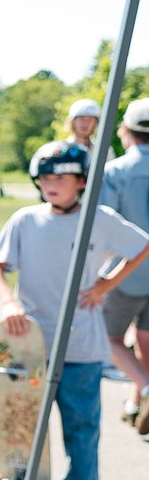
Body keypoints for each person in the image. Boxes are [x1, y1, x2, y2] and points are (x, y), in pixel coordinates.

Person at [0, 141, 149, 480]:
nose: (51, 184)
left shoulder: (100, 218)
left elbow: (141, 246)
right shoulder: (26, 220)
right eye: (45, 178)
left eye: (61, 177)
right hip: (29, 344)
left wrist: (104, 287)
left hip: (82, 345)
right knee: (16, 418)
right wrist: (9, 302)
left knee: (82, 425)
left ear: (81, 182)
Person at [100, 97, 149, 434]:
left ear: (126, 131)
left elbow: (105, 225)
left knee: (110, 338)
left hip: (129, 270)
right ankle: (136, 402)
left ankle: (145, 390)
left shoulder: (116, 170)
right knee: (145, 342)